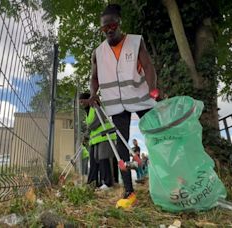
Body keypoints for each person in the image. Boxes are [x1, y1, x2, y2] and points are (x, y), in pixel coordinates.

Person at [82, 3, 158, 209]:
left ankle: (167, 179)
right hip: (116, 104)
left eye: (112, 25)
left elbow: (149, 66)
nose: (108, 30)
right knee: (122, 146)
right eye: (104, 28)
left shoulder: (135, 41)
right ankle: (128, 191)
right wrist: (92, 95)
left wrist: (153, 89)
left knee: (157, 136)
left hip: (141, 98)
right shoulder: (98, 52)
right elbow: (94, 77)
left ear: (119, 23)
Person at [80, 93, 117, 190]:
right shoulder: (88, 112)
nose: (81, 103)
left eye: (82, 100)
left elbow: (98, 120)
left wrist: (89, 128)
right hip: (96, 139)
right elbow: (90, 127)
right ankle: (93, 183)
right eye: (80, 102)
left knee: (103, 158)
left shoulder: (96, 105)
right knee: (95, 161)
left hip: (105, 136)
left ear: (88, 99)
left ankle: (108, 183)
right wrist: (87, 136)